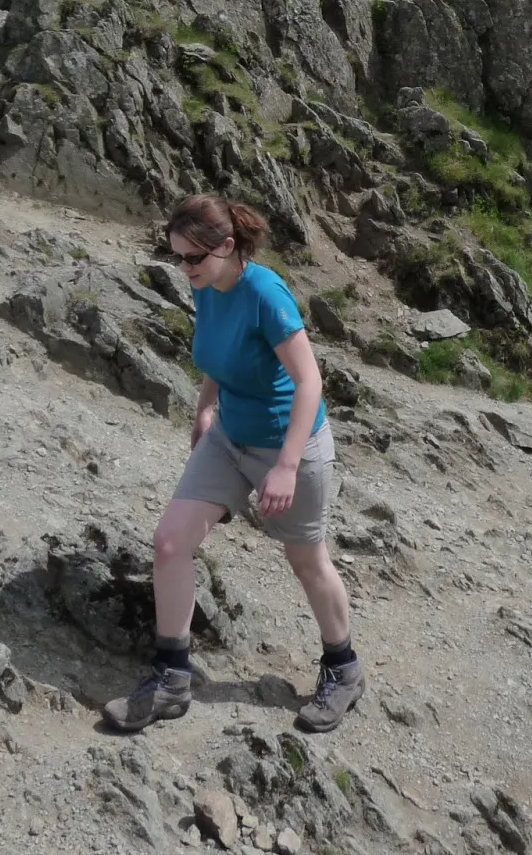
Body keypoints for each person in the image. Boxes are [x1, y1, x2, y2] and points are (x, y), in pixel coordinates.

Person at [102, 194, 363, 734]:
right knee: (170, 542)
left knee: (307, 560)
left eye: (192, 258)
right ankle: (173, 679)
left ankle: (344, 668)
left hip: (289, 445)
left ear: (226, 246)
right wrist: (205, 408)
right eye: (177, 257)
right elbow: (218, 357)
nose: (184, 269)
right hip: (229, 437)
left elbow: (310, 381)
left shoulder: (264, 292)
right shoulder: (208, 286)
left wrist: (288, 465)